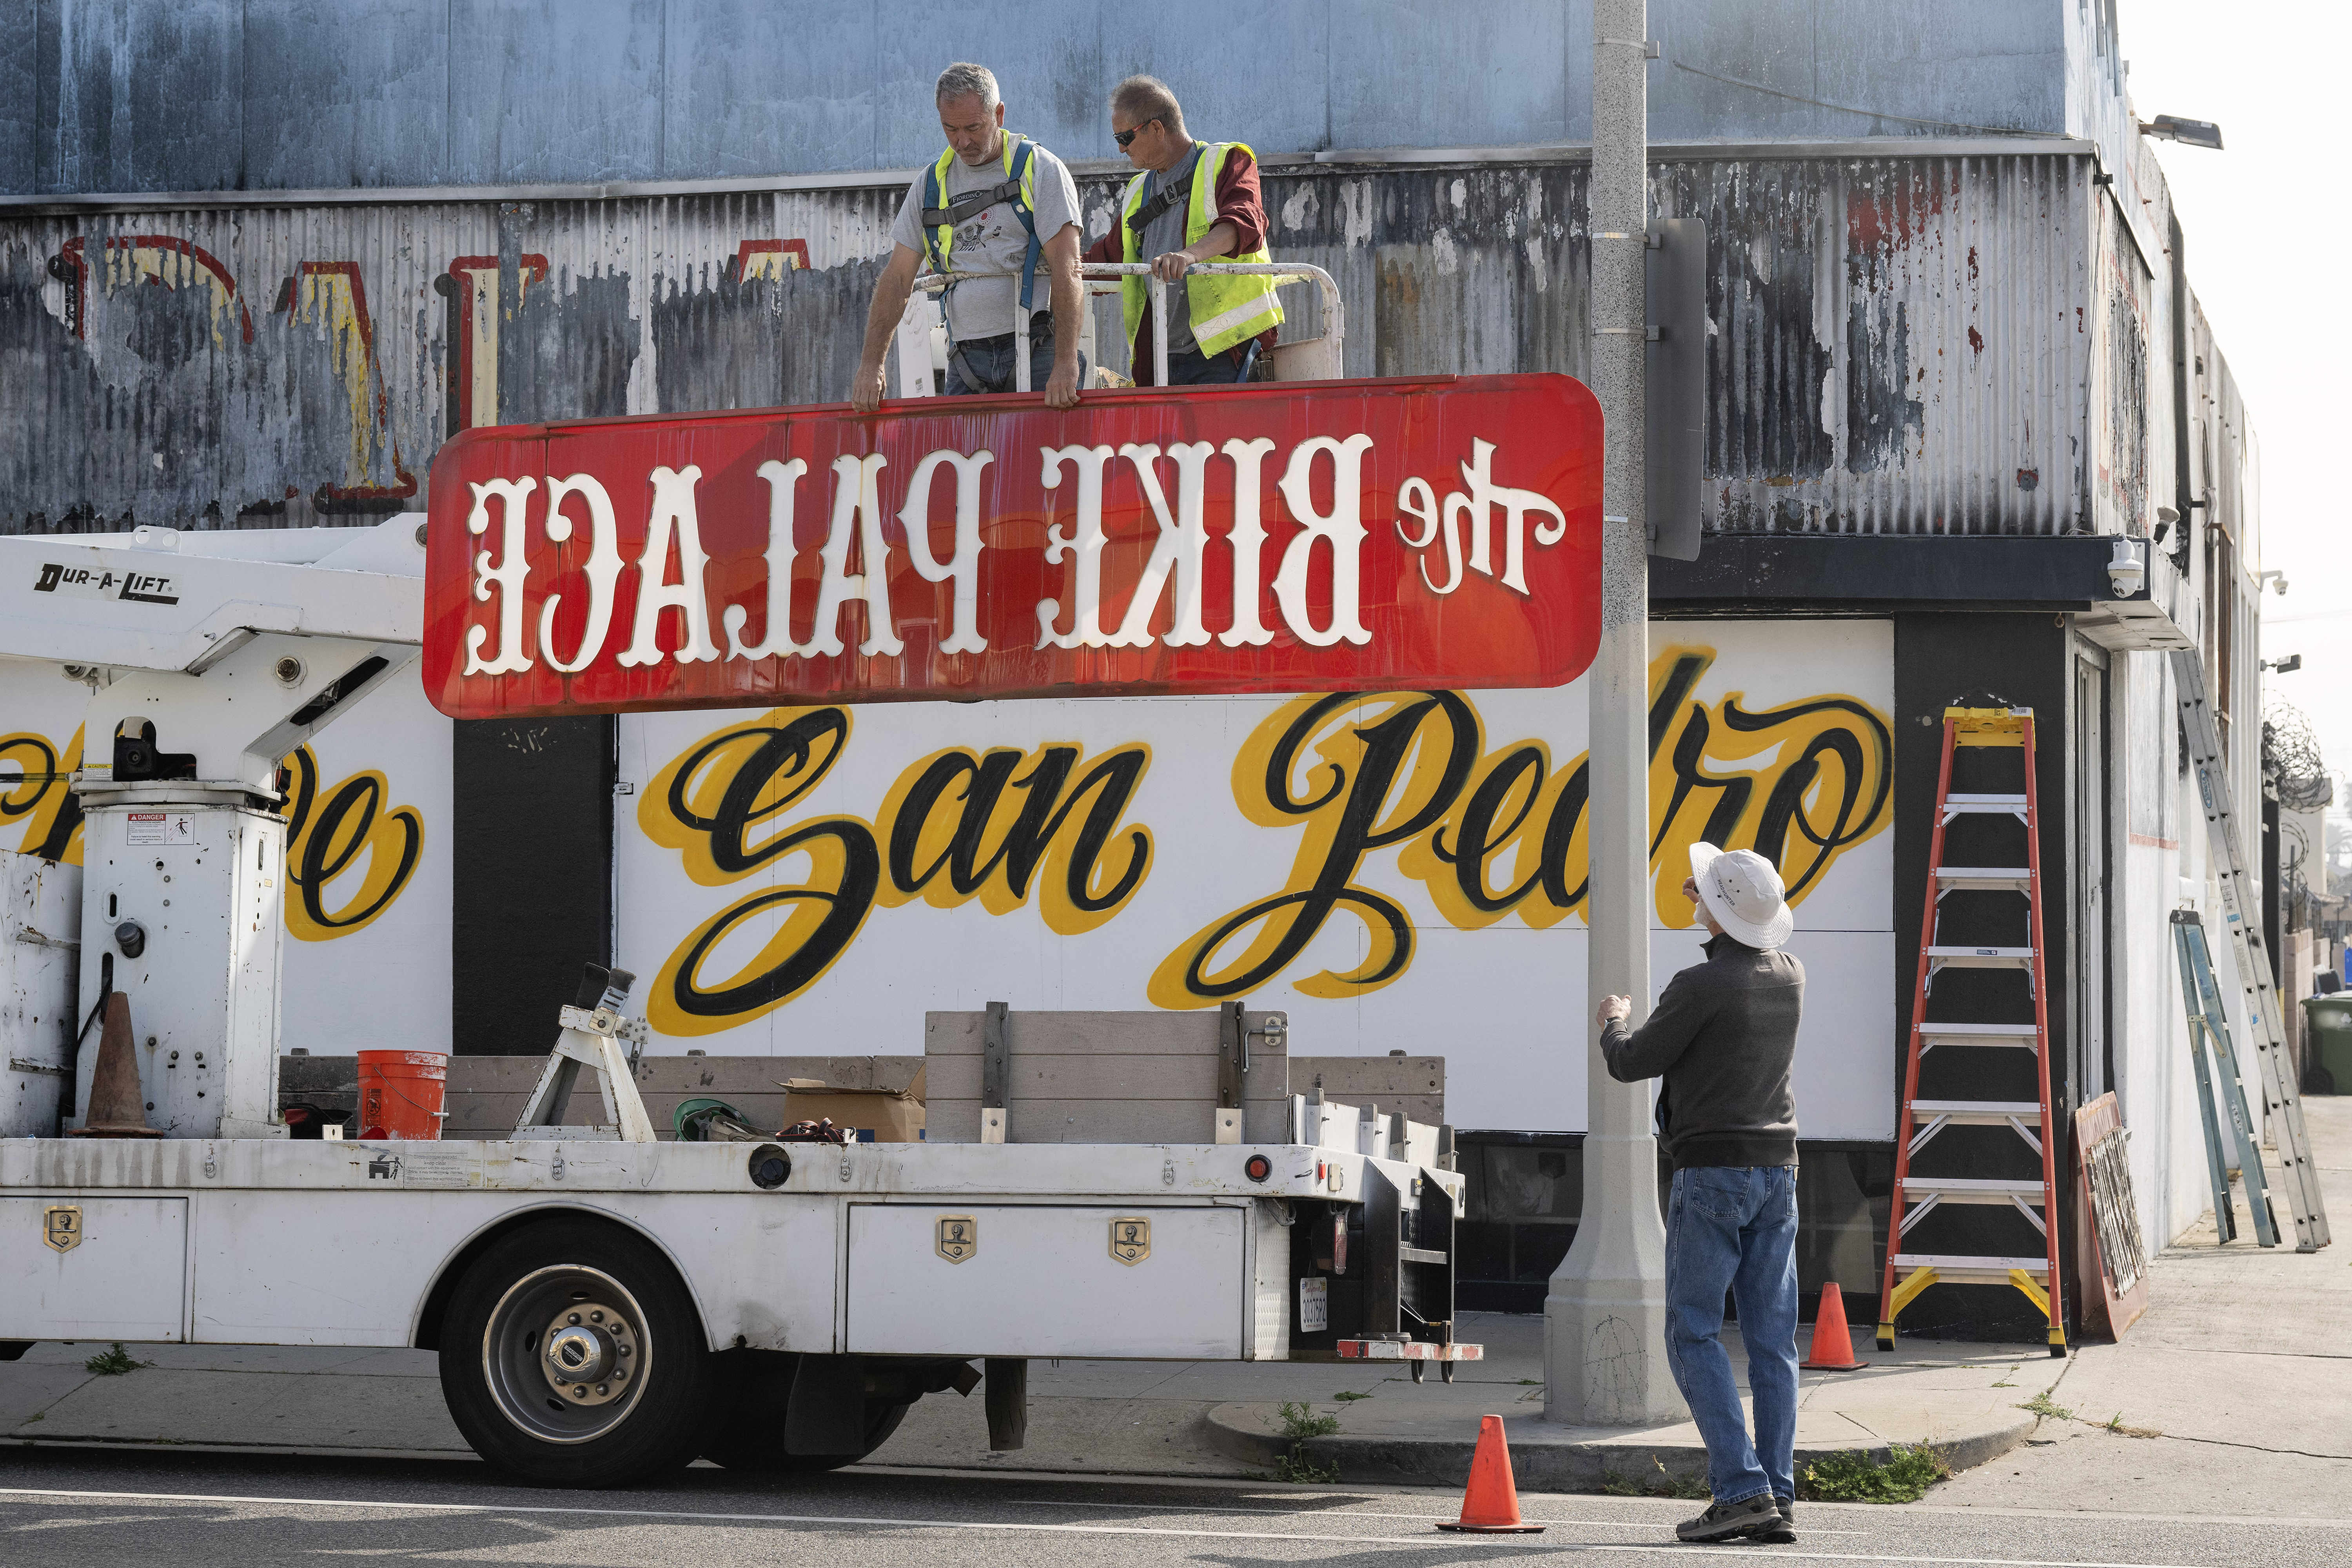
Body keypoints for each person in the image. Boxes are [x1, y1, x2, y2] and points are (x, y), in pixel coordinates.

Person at [1594, 843, 1804, 1546]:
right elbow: (1743, 950)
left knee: (1693, 1331)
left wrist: (1613, 1019)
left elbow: (1634, 1063)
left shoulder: (1697, 985)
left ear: (1718, 915)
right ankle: (1775, 1489)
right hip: (1780, 1173)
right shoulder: (1790, 975)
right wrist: (1715, 906)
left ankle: (1742, 1492)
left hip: (1713, 1171)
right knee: (1773, 1342)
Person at [851, 63, 1085, 412]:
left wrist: (1066, 363)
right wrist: (872, 364)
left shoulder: (1040, 169)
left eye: (974, 128)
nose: (962, 142)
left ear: (999, 114)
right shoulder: (931, 184)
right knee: (964, 463)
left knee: (1046, 461)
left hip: (1037, 351)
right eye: (950, 129)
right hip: (965, 361)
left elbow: (1068, 269)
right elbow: (898, 278)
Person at [1082, 76, 1281, 386]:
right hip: (1161, 358)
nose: (1121, 150)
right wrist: (1051, 264)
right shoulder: (1138, 190)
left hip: (1225, 354)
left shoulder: (1227, 161)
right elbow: (1107, 259)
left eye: (1124, 138)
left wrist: (1188, 257)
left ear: (1157, 129)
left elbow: (1246, 222)